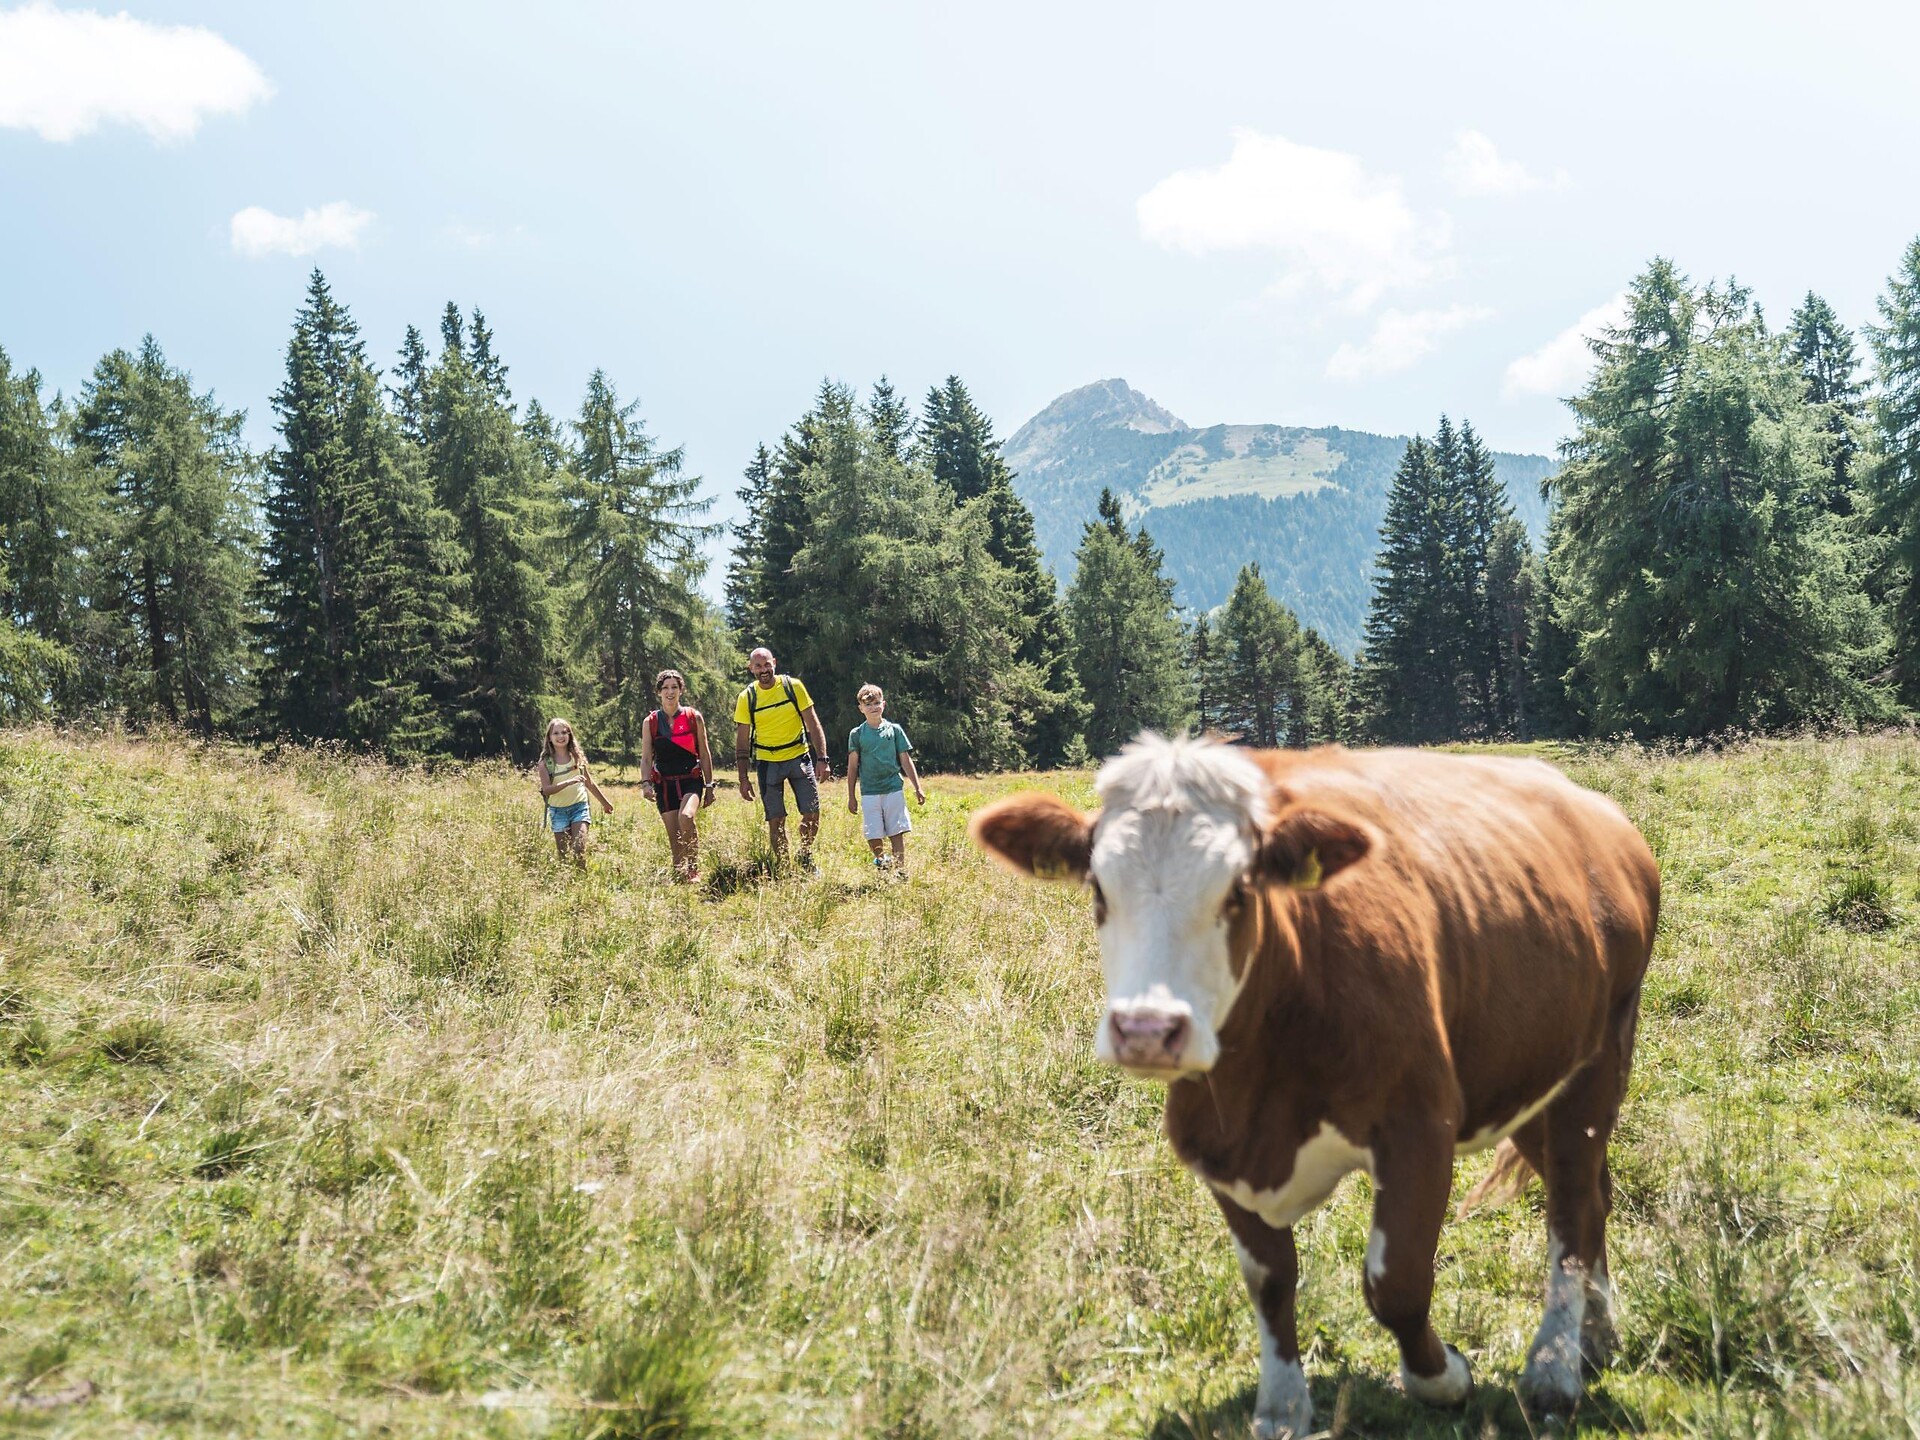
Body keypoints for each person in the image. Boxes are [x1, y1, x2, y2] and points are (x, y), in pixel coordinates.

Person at [734, 647, 832, 866]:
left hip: (799, 758)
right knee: (776, 820)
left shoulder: (793, 687)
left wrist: (822, 759)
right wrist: (743, 778)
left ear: (774, 663)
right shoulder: (747, 698)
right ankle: (784, 866)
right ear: (751, 669)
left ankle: (805, 856)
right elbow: (741, 742)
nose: (764, 670)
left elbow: (813, 724)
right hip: (768, 764)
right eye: (758, 666)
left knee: (812, 812)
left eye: (767, 664)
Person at [640, 669, 715, 883]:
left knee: (687, 817)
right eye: (666, 688)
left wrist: (709, 785)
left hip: (690, 780)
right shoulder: (651, 722)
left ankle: (694, 869)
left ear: (681, 690)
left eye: (674, 687)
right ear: (659, 692)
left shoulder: (693, 717)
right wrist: (645, 783)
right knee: (675, 842)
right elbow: (646, 758)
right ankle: (680, 880)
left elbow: (704, 752)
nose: (670, 692)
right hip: (664, 784)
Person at [845, 682, 925, 879]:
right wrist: (851, 796)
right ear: (861, 708)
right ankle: (882, 861)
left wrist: (917, 787)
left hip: (893, 788)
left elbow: (905, 760)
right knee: (873, 835)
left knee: (896, 831)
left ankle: (900, 871)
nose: (873, 708)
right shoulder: (857, 734)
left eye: (877, 703)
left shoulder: (894, 730)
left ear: (884, 704)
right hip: (870, 791)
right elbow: (853, 766)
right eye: (868, 704)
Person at [537, 717, 613, 863]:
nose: (561, 736)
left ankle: (583, 880)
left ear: (570, 735)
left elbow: (589, 783)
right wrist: (569, 782)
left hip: (579, 807)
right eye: (556, 733)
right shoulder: (546, 763)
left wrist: (605, 803)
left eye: (564, 732)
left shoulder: (576, 757)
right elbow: (547, 790)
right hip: (558, 811)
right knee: (564, 856)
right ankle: (567, 883)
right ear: (549, 738)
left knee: (579, 848)